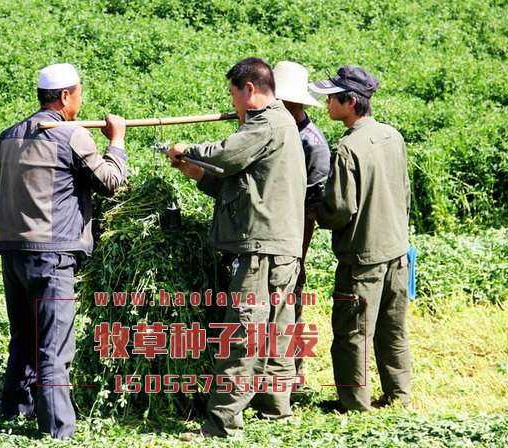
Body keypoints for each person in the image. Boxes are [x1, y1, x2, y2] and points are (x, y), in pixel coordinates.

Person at [0, 63, 128, 439]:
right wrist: (117, 140)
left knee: (25, 337)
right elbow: (111, 182)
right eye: (79, 93)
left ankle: (15, 412)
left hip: (13, 252)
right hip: (53, 257)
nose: (80, 101)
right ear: (66, 96)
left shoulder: (9, 136)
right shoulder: (72, 135)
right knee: (54, 345)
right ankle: (57, 431)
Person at [168, 57, 306, 438]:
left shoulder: (267, 123)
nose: (233, 106)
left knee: (243, 330)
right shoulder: (280, 126)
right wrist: (194, 171)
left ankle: (222, 421)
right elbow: (241, 184)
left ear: (249, 89)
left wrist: (187, 148)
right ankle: (275, 406)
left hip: (261, 249)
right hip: (278, 245)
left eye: (234, 96)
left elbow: (227, 155)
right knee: (277, 329)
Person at [309, 65, 412, 412]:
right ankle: (399, 395)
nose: (326, 104)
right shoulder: (392, 136)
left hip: (363, 257)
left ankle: (354, 405)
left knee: (353, 334)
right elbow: (404, 192)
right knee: (392, 328)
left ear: (350, 102)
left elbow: (340, 209)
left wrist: (314, 211)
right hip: (397, 250)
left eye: (331, 99)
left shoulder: (348, 148)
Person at [272, 60, 331, 376]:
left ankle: (292, 371)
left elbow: (311, 206)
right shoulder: (270, 127)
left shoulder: (311, 143)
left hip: (293, 231)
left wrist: (299, 253)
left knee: (290, 298)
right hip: (271, 230)